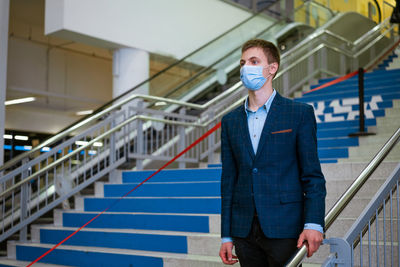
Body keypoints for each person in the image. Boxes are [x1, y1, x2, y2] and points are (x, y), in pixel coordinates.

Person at [219, 39, 326, 267]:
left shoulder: (299, 114)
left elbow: (312, 176)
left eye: (254, 61)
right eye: (243, 62)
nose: (245, 67)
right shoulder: (230, 121)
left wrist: (314, 223)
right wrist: (226, 235)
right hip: (243, 231)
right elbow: (228, 181)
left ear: (272, 68)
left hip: (284, 227)